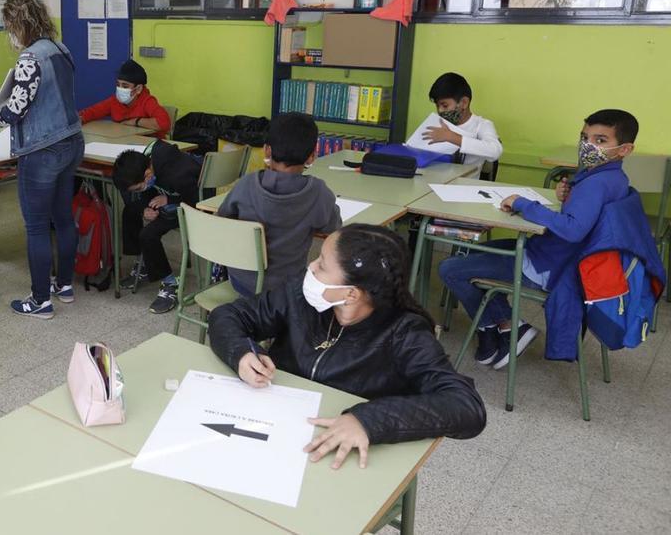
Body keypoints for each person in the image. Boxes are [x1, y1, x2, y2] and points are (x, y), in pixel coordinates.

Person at [208, 225, 486, 469]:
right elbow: (229, 315)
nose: (310, 268)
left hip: (336, 448)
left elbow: (466, 407)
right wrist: (242, 352)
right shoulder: (300, 296)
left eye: (322, 265)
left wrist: (368, 420)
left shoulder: (404, 333)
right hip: (276, 423)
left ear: (351, 293)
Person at [439, 109, 639, 368]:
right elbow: (587, 216)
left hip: (547, 266)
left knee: (450, 269)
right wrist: (569, 196)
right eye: (584, 137)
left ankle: (504, 326)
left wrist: (525, 204)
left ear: (625, 149)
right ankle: (501, 326)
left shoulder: (597, 184)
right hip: (559, 257)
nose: (588, 146)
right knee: (472, 254)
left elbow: (573, 230)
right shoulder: (612, 178)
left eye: (600, 141)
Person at [0, 0, 83, 319]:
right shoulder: (59, 48)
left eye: (8, 26)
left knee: (36, 226)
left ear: (16, 23)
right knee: (63, 218)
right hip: (72, 140)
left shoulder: (29, 58)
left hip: (42, 149)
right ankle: (63, 285)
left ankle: (40, 301)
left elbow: (15, 110)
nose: (9, 33)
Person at [217, 113, 341, 296]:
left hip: (241, 282)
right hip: (287, 289)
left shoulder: (247, 184)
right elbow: (333, 227)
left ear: (267, 150)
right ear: (311, 157)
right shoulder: (319, 193)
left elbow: (222, 217)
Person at [112, 140, 202, 314]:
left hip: (189, 205)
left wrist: (171, 200)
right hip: (165, 197)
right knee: (130, 211)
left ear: (147, 174)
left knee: (148, 234)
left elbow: (198, 199)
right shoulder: (143, 163)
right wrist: (144, 208)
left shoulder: (178, 173)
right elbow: (141, 191)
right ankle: (144, 261)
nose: (138, 190)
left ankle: (170, 284)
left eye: (138, 187)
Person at [404, 72, 502, 169]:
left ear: (464, 103)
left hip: (465, 182)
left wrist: (452, 137)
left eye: (445, 105)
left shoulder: (481, 125)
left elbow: (495, 151)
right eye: (437, 106)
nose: (440, 110)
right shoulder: (437, 123)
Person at [78, 59, 171, 137]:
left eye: (125, 86)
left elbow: (164, 123)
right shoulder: (114, 101)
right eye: (118, 85)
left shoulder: (147, 101)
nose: (120, 89)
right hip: (124, 142)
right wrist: (78, 119)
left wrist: (135, 122)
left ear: (138, 89)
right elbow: (92, 112)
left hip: (149, 146)